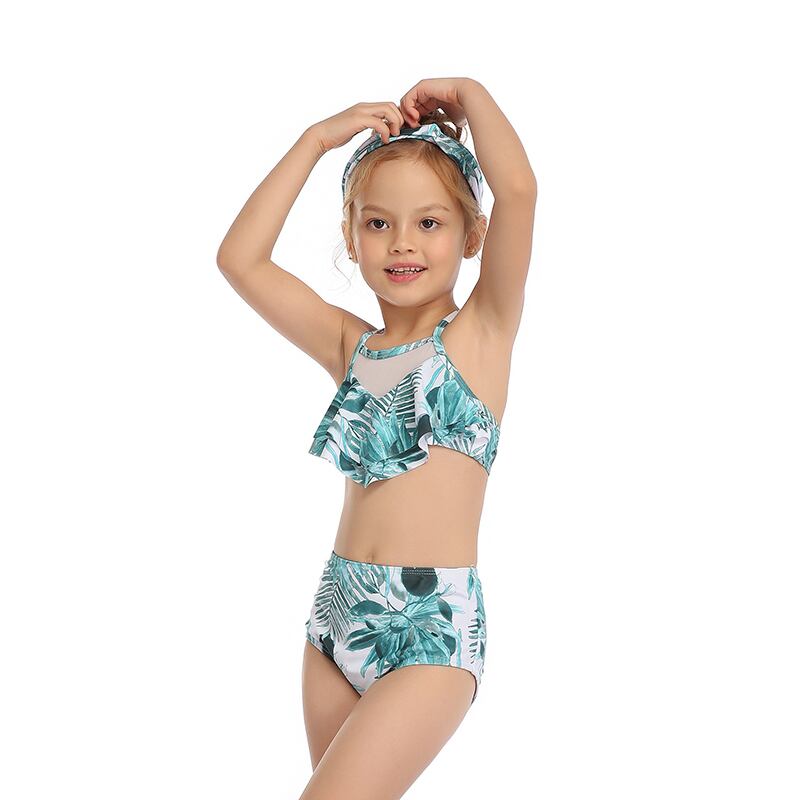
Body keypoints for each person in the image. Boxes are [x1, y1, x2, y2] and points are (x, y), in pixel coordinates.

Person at [216, 76, 537, 799]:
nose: (402, 243)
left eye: (430, 223)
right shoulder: (350, 348)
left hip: (430, 630)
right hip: (336, 615)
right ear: (351, 237)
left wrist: (468, 92)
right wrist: (316, 140)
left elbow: (518, 190)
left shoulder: (481, 335)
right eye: (378, 223)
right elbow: (240, 260)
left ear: (473, 235)